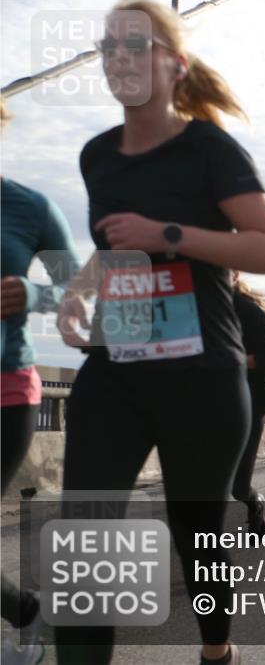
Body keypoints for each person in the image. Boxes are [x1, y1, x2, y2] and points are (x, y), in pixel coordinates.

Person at [54, 1, 265, 662]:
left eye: (137, 44)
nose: (121, 57)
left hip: (203, 377)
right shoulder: (96, 155)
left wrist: (169, 235)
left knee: (195, 532)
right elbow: (114, 247)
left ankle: (217, 648)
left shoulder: (209, 147)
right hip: (117, 371)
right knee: (87, 536)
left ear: (174, 63)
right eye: (110, 47)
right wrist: (80, 286)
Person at [1, 98, 81, 665]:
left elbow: (77, 290)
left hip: (7, 387)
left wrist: (33, 295)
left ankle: (27, 613)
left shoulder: (28, 207)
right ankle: (24, 611)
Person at [231, 272, 265, 537]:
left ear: (233, 274)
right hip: (208, 404)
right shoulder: (194, 310)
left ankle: (255, 503)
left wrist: (231, 358)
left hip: (251, 402)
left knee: (238, 487)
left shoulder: (249, 311)